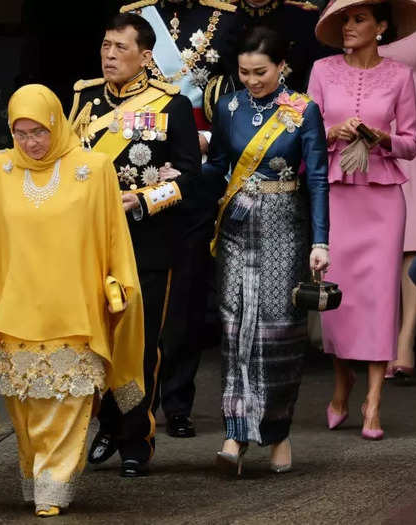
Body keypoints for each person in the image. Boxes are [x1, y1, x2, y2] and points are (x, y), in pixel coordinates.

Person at [0, 84, 145, 516]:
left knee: (67, 403)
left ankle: (53, 487)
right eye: (19, 133)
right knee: (27, 406)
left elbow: (115, 235)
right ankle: (36, 473)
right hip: (15, 309)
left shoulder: (94, 169)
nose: (30, 143)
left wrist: (122, 284)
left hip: (75, 309)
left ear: (55, 123)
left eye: (38, 131)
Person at [67, 12, 207, 476]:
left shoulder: (171, 105)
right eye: (105, 46)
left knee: (141, 346)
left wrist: (142, 199)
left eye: (119, 48)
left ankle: (136, 438)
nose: (109, 55)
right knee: (93, 340)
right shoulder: (84, 98)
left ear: (145, 56)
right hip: (89, 244)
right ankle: (107, 425)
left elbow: (189, 177)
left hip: (146, 243)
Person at [203, 26, 329, 474]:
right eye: (244, 72)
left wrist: (320, 240)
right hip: (237, 226)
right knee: (235, 329)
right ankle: (235, 434)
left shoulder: (303, 111)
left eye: (261, 72)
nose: (252, 80)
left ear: (282, 68)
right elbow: (218, 165)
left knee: (278, 332)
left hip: (283, 229)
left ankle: (277, 433)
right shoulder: (228, 106)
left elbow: (316, 176)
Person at [120, 0, 240, 440]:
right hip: (140, 169)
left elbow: (237, 95)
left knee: (186, 293)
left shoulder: (225, 19)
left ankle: (177, 399)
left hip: (197, 169)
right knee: (136, 295)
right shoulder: (134, 15)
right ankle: (133, 402)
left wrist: (206, 139)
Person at [309, 0, 416, 440]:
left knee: (379, 297)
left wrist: (384, 137)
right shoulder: (321, 70)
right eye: (344, 20)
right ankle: (343, 382)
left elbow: (412, 143)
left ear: (381, 27)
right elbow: (303, 132)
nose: (348, 27)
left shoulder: (399, 75)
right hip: (336, 195)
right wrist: (330, 132)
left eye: (358, 19)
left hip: (382, 199)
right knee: (339, 295)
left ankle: (373, 402)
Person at [379, 0, 416, 380]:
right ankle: (372, 340)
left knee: (414, 235)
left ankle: (405, 341)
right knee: (380, 242)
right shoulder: (353, 8)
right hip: (371, 130)